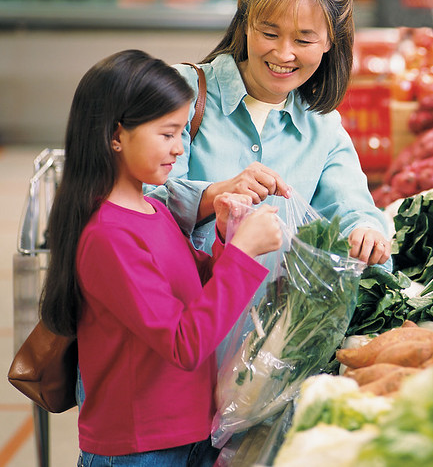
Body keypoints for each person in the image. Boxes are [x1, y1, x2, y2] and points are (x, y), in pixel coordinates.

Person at [39, 49, 284, 466]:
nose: (178, 149)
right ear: (116, 135)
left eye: (182, 134)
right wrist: (243, 254)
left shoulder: (151, 210)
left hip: (188, 433)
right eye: (167, 134)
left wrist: (226, 236)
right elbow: (183, 342)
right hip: (141, 449)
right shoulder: (107, 236)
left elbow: (191, 284)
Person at [147, 0, 392, 267]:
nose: (283, 53)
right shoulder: (181, 91)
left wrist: (366, 232)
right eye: (269, 33)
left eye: (304, 41)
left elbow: (351, 207)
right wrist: (215, 195)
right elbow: (141, 208)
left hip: (276, 318)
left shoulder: (323, 128)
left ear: (330, 41)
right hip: (185, 314)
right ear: (246, 23)